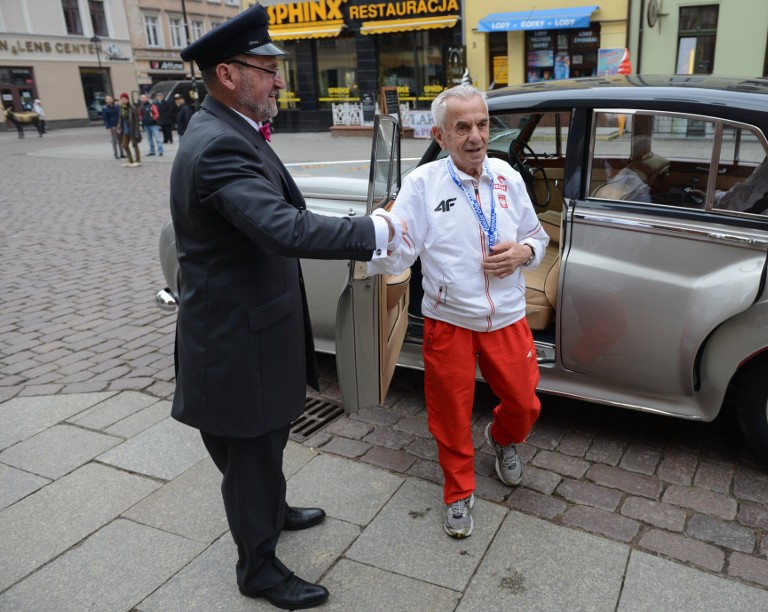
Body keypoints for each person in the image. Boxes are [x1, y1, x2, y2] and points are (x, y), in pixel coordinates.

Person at [172, 5, 404, 610]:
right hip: (232, 344)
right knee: (249, 455)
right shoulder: (219, 145)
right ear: (227, 74)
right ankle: (259, 569)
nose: (279, 79)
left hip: (251, 327)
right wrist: (372, 231)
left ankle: (270, 510)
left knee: (265, 444)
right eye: (267, 68)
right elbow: (282, 228)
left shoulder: (231, 130)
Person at [368, 84, 549, 538]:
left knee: (525, 402)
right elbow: (401, 250)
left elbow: (538, 238)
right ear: (441, 135)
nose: (475, 136)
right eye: (462, 127)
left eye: (483, 124)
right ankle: (458, 491)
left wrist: (523, 252)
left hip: (506, 315)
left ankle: (503, 439)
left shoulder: (508, 176)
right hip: (447, 320)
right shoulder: (423, 183)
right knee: (449, 415)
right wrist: (375, 236)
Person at [116, 93, 141, 167]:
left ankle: (137, 160)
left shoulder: (133, 108)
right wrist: (119, 127)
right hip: (124, 130)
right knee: (124, 145)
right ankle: (130, 160)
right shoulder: (121, 108)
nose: (123, 100)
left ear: (127, 99)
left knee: (134, 144)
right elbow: (120, 119)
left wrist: (137, 130)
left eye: (125, 99)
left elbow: (136, 120)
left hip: (132, 129)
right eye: (122, 99)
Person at [101, 95, 122, 159]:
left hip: (118, 125)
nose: (109, 100)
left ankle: (122, 153)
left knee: (120, 140)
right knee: (114, 140)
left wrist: (120, 125)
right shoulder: (104, 108)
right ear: (106, 100)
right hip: (112, 126)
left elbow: (119, 116)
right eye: (108, 99)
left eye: (110, 99)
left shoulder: (116, 107)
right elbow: (105, 119)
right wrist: (108, 127)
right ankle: (115, 154)